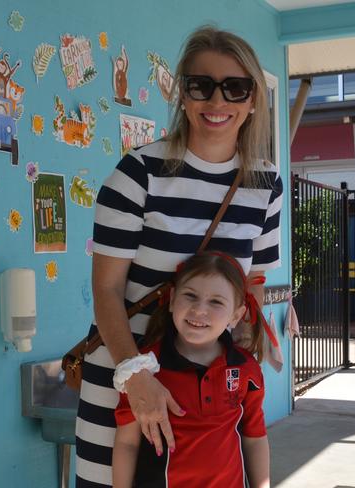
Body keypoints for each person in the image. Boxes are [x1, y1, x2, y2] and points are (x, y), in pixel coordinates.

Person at [76, 25, 283, 487]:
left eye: (235, 87)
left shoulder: (266, 185)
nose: (217, 101)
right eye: (201, 85)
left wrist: (257, 336)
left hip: (209, 390)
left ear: (253, 100)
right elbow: (106, 290)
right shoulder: (138, 173)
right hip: (125, 377)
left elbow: (252, 283)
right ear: (182, 94)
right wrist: (136, 378)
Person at [113, 251, 270, 488]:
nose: (199, 309)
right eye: (190, 296)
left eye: (216, 301)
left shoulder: (247, 370)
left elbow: (254, 439)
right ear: (173, 299)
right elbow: (127, 443)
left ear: (237, 315)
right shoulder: (143, 371)